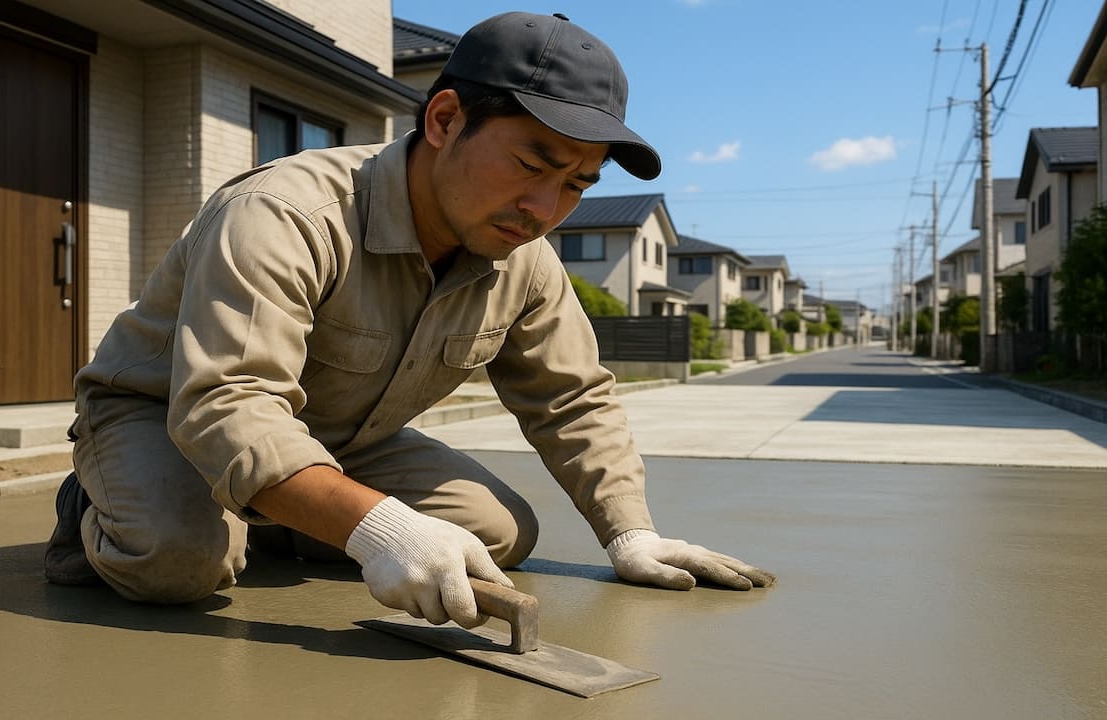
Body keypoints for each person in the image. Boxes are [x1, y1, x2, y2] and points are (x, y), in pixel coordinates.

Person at [44, 11, 774, 626]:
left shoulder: (525, 257)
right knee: (181, 561)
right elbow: (227, 405)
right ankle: (100, 502)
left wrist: (631, 533)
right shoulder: (288, 213)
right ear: (446, 118)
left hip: (340, 436)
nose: (546, 209)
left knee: (496, 533)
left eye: (577, 185)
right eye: (532, 164)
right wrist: (379, 528)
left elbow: (572, 398)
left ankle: (279, 510)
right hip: (165, 416)